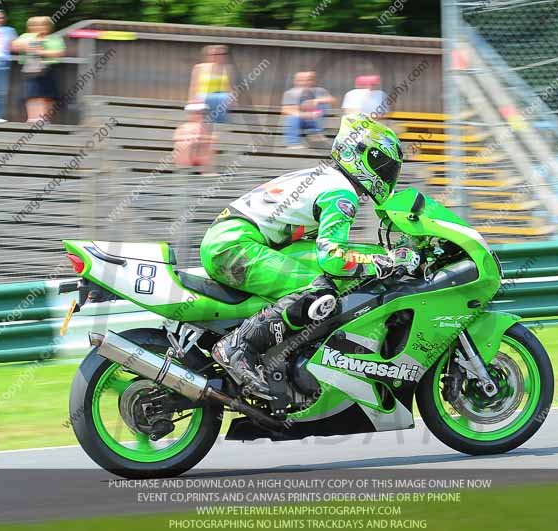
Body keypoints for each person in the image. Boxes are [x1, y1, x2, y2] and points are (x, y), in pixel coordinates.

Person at [200, 114, 414, 396]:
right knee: (318, 290)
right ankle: (237, 347)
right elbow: (333, 258)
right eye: (385, 166)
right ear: (364, 158)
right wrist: (381, 262)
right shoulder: (341, 194)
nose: (388, 175)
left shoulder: (328, 178)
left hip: (231, 240)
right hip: (233, 246)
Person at [11, 17, 65, 123]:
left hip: (49, 68)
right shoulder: (25, 36)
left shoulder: (54, 38)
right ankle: (32, 118)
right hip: (30, 70)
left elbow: (59, 53)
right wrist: (28, 45)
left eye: (42, 25)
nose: (39, 28)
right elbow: (14, 46)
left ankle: (44, 119)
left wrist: (40, 52)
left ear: (49, 27)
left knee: (48, 95)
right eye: (35, 25)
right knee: (31, 94)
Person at [282, 71, 336, 149]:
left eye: (308, 80)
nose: (304, 82)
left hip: (315, 119)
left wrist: (316, 101)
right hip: (300, 121)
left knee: (323, 104)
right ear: (295, 81)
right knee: (292, 117)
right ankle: (293, 143)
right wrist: (304, 115)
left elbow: (332, 100)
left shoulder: (319, 91)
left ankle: (315, 132)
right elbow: (286, 110)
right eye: (301, 80)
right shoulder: (290, 93)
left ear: (312, 81)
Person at [188, 45, 232, 124]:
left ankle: (217, 122)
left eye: (221, 54)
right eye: (213, 54)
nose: (216, 57)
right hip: (203, 99)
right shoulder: (199, 68)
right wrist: (192, 100)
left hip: (221, 100)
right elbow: (193, 86)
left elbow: (230, 88)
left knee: (223, 97)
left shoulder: (227, 69)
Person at [173, 103, 216, 173]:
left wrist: (205, 139)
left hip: (199, 158)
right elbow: (177, 138)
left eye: (200, 113)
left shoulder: (203, 127)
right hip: (185, 159)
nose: (200, 115)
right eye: (196, 113)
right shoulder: (184, 127)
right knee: (183, 144)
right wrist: (193, 138)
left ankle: (207, 171)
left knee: (209, 145)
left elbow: (207, 139)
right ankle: (185, 167)